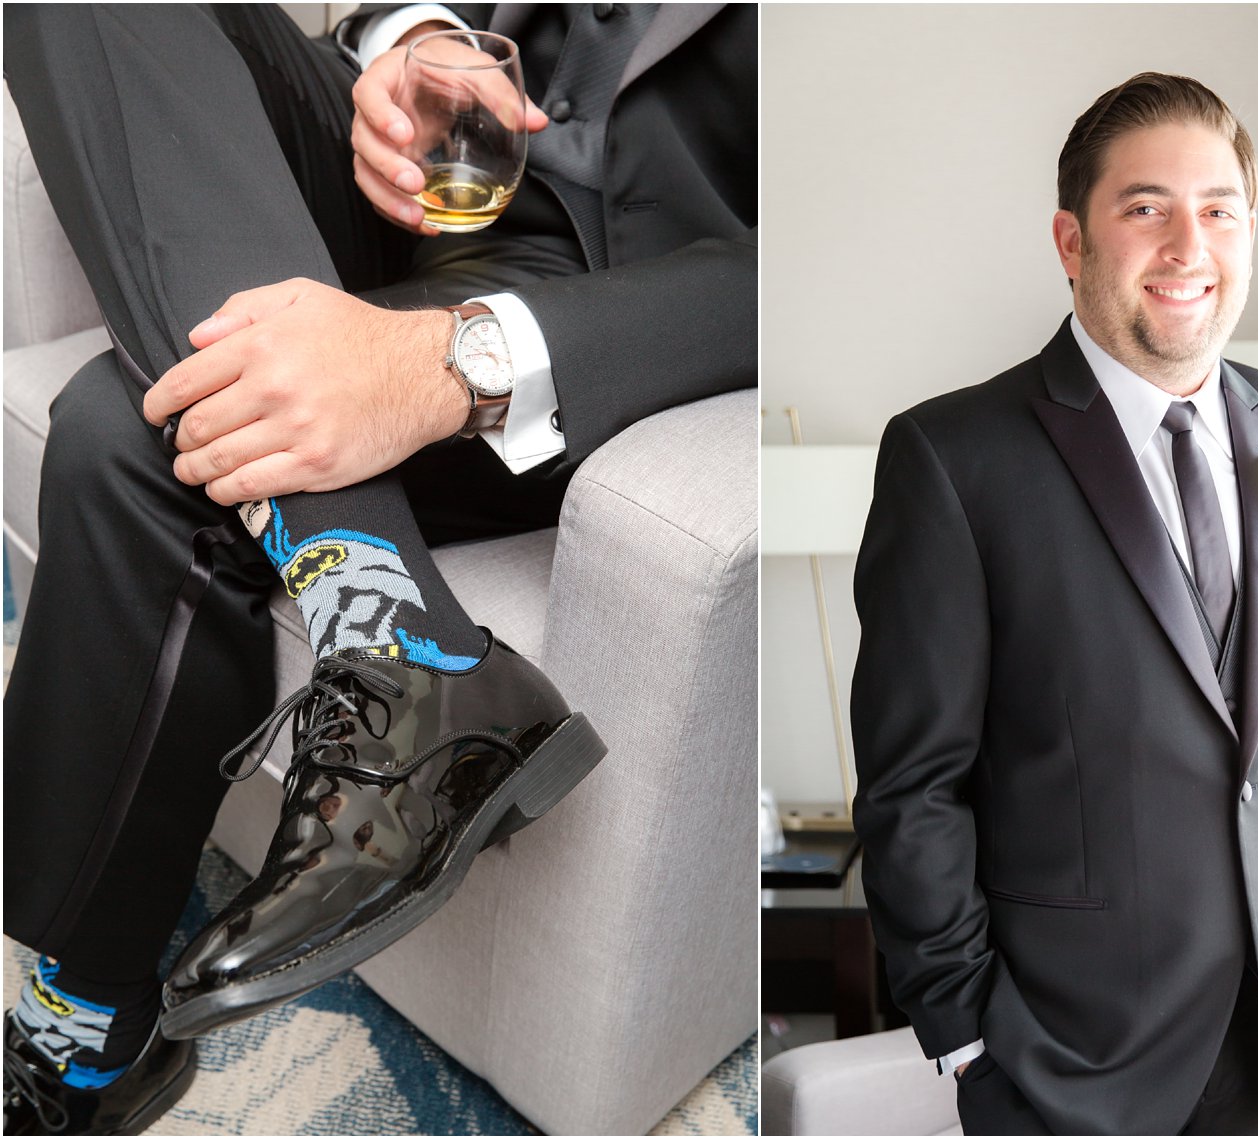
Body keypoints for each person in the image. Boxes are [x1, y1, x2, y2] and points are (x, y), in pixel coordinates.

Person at [1, 4, 755, 1134]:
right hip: (406, 193)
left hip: (598, 288)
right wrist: (412, 40)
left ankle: (85, 1006)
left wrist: (457, 362)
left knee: (132, 425)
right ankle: (403, 638)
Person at [850, 73, 1258, 1136]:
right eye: (1145, 207)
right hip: (1062, 1057)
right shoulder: (951, 458)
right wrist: (967, 1033)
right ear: (1071, 240)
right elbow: (913, 783)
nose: (1187, 245)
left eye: (1217, 210)